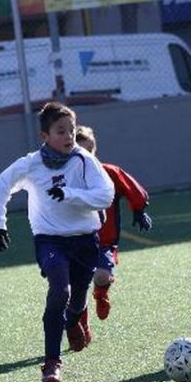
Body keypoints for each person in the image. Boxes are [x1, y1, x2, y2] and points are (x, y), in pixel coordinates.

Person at [0, 102, 115, 382]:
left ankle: (73, 320)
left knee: (78, 298)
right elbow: (2, 185)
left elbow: (105, 195)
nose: (69, 136)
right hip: (50, 241)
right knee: (60, 289)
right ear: (44, 136)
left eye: (71, 130)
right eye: (61, 131)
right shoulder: (31, 164)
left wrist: (69, 194)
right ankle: (52, 362)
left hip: (85, 241)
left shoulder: (84, 160)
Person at [74, 125, 152, 321]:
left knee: (101, 276)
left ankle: (101, 294)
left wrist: (139, 209)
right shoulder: (66, 178)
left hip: (104, 242)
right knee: (75, 288)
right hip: (73, 242)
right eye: (82, 151)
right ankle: (80, 327)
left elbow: (131, 187)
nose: (87, 155)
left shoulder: (108, 172)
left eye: (90, 149)